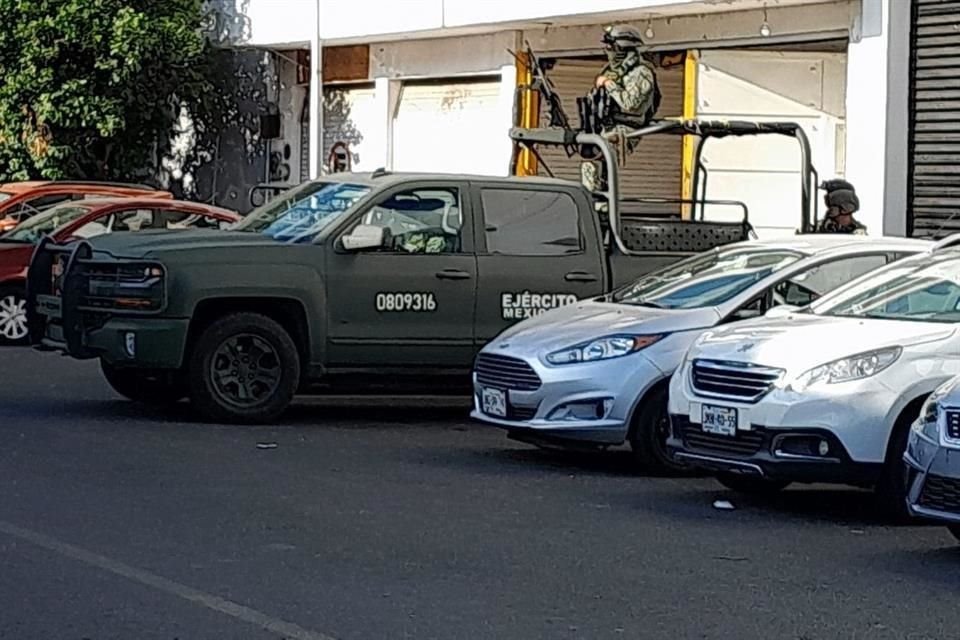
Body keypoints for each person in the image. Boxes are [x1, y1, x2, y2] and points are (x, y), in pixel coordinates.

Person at [580, 24, 660, 194]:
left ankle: (601, 203)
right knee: (589, 157)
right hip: (604, 126)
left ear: (622, 48)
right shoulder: (612, 71)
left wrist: (609, 85)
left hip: (626, 129)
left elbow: (631, 104)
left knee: (598, 159)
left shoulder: (641, 73)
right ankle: (593, 200)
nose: (608, 51)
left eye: (612, 47)